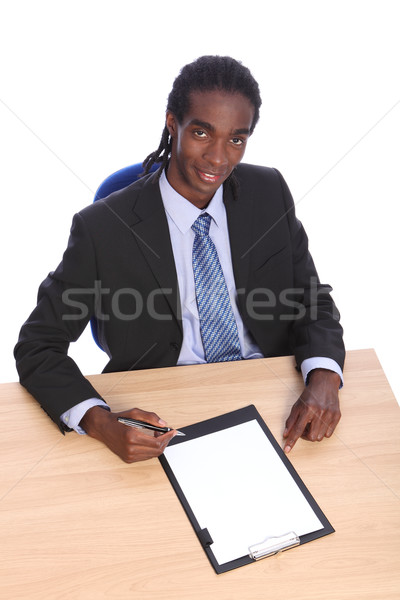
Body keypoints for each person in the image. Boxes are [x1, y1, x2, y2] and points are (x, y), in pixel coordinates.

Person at [14, 55, 345, 463]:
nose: (218, 158)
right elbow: (38, 346)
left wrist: (325, 375)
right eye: (202, 133)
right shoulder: (103, 227)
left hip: (272, 396)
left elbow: (311, 297)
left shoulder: (268, 191)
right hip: (162, 409)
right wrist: (101, 423)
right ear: (173, 124)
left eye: (236, 139)